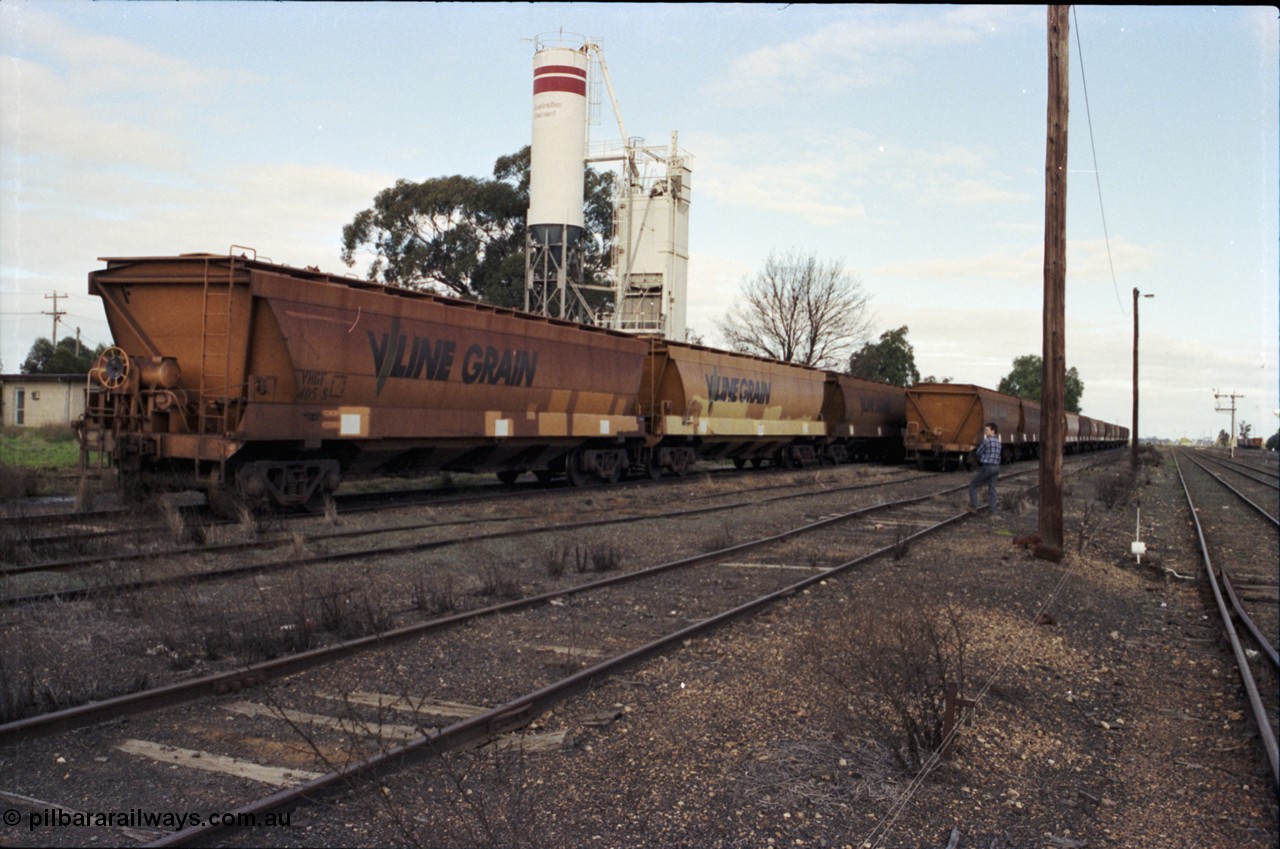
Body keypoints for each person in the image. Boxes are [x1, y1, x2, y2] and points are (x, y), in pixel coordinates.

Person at [968, 422, 1002, 514]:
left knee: (973, 485)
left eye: (987, 430)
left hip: (987, 467)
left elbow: (978, 452)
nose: (985, 432)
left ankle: (973, 506)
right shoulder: (998, 443)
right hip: (996, 467)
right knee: (992, 489)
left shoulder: (986, 441)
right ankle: (993, 511)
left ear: (992, 430)